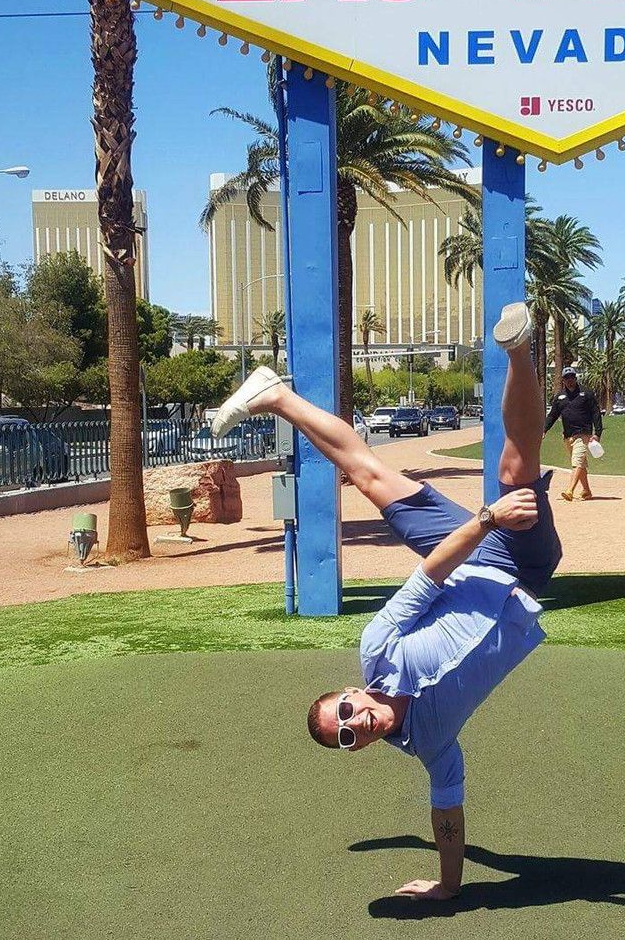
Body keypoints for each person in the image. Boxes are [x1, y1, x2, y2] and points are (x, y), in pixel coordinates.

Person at [209, 301, 560, 904]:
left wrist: (487, 518)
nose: (355, 725)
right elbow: (447, 809)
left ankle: (276, 396)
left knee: (373, 477)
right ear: (360, 747)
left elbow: (430, 572)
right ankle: (523, 355)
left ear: (350, 693)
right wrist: (450, 887)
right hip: (524, 576)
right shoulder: (429, 742)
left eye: (343, 714)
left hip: (471, 545)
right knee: (515, 465)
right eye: (348, 736)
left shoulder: (378, 647)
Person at [544, 366, 603, 501]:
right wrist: (544, 430)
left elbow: (596, 413)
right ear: (563, 380)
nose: (570, 380)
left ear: (575, 378)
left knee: (576, 461)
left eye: (572, 377)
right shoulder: (560, 397)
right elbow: (552, 415)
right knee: (580, 464)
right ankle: (587, 491)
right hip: (568, 436)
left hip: (583, 434)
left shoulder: (586, 393)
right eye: (567, 378)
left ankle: (570, 490)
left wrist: (597, 433)